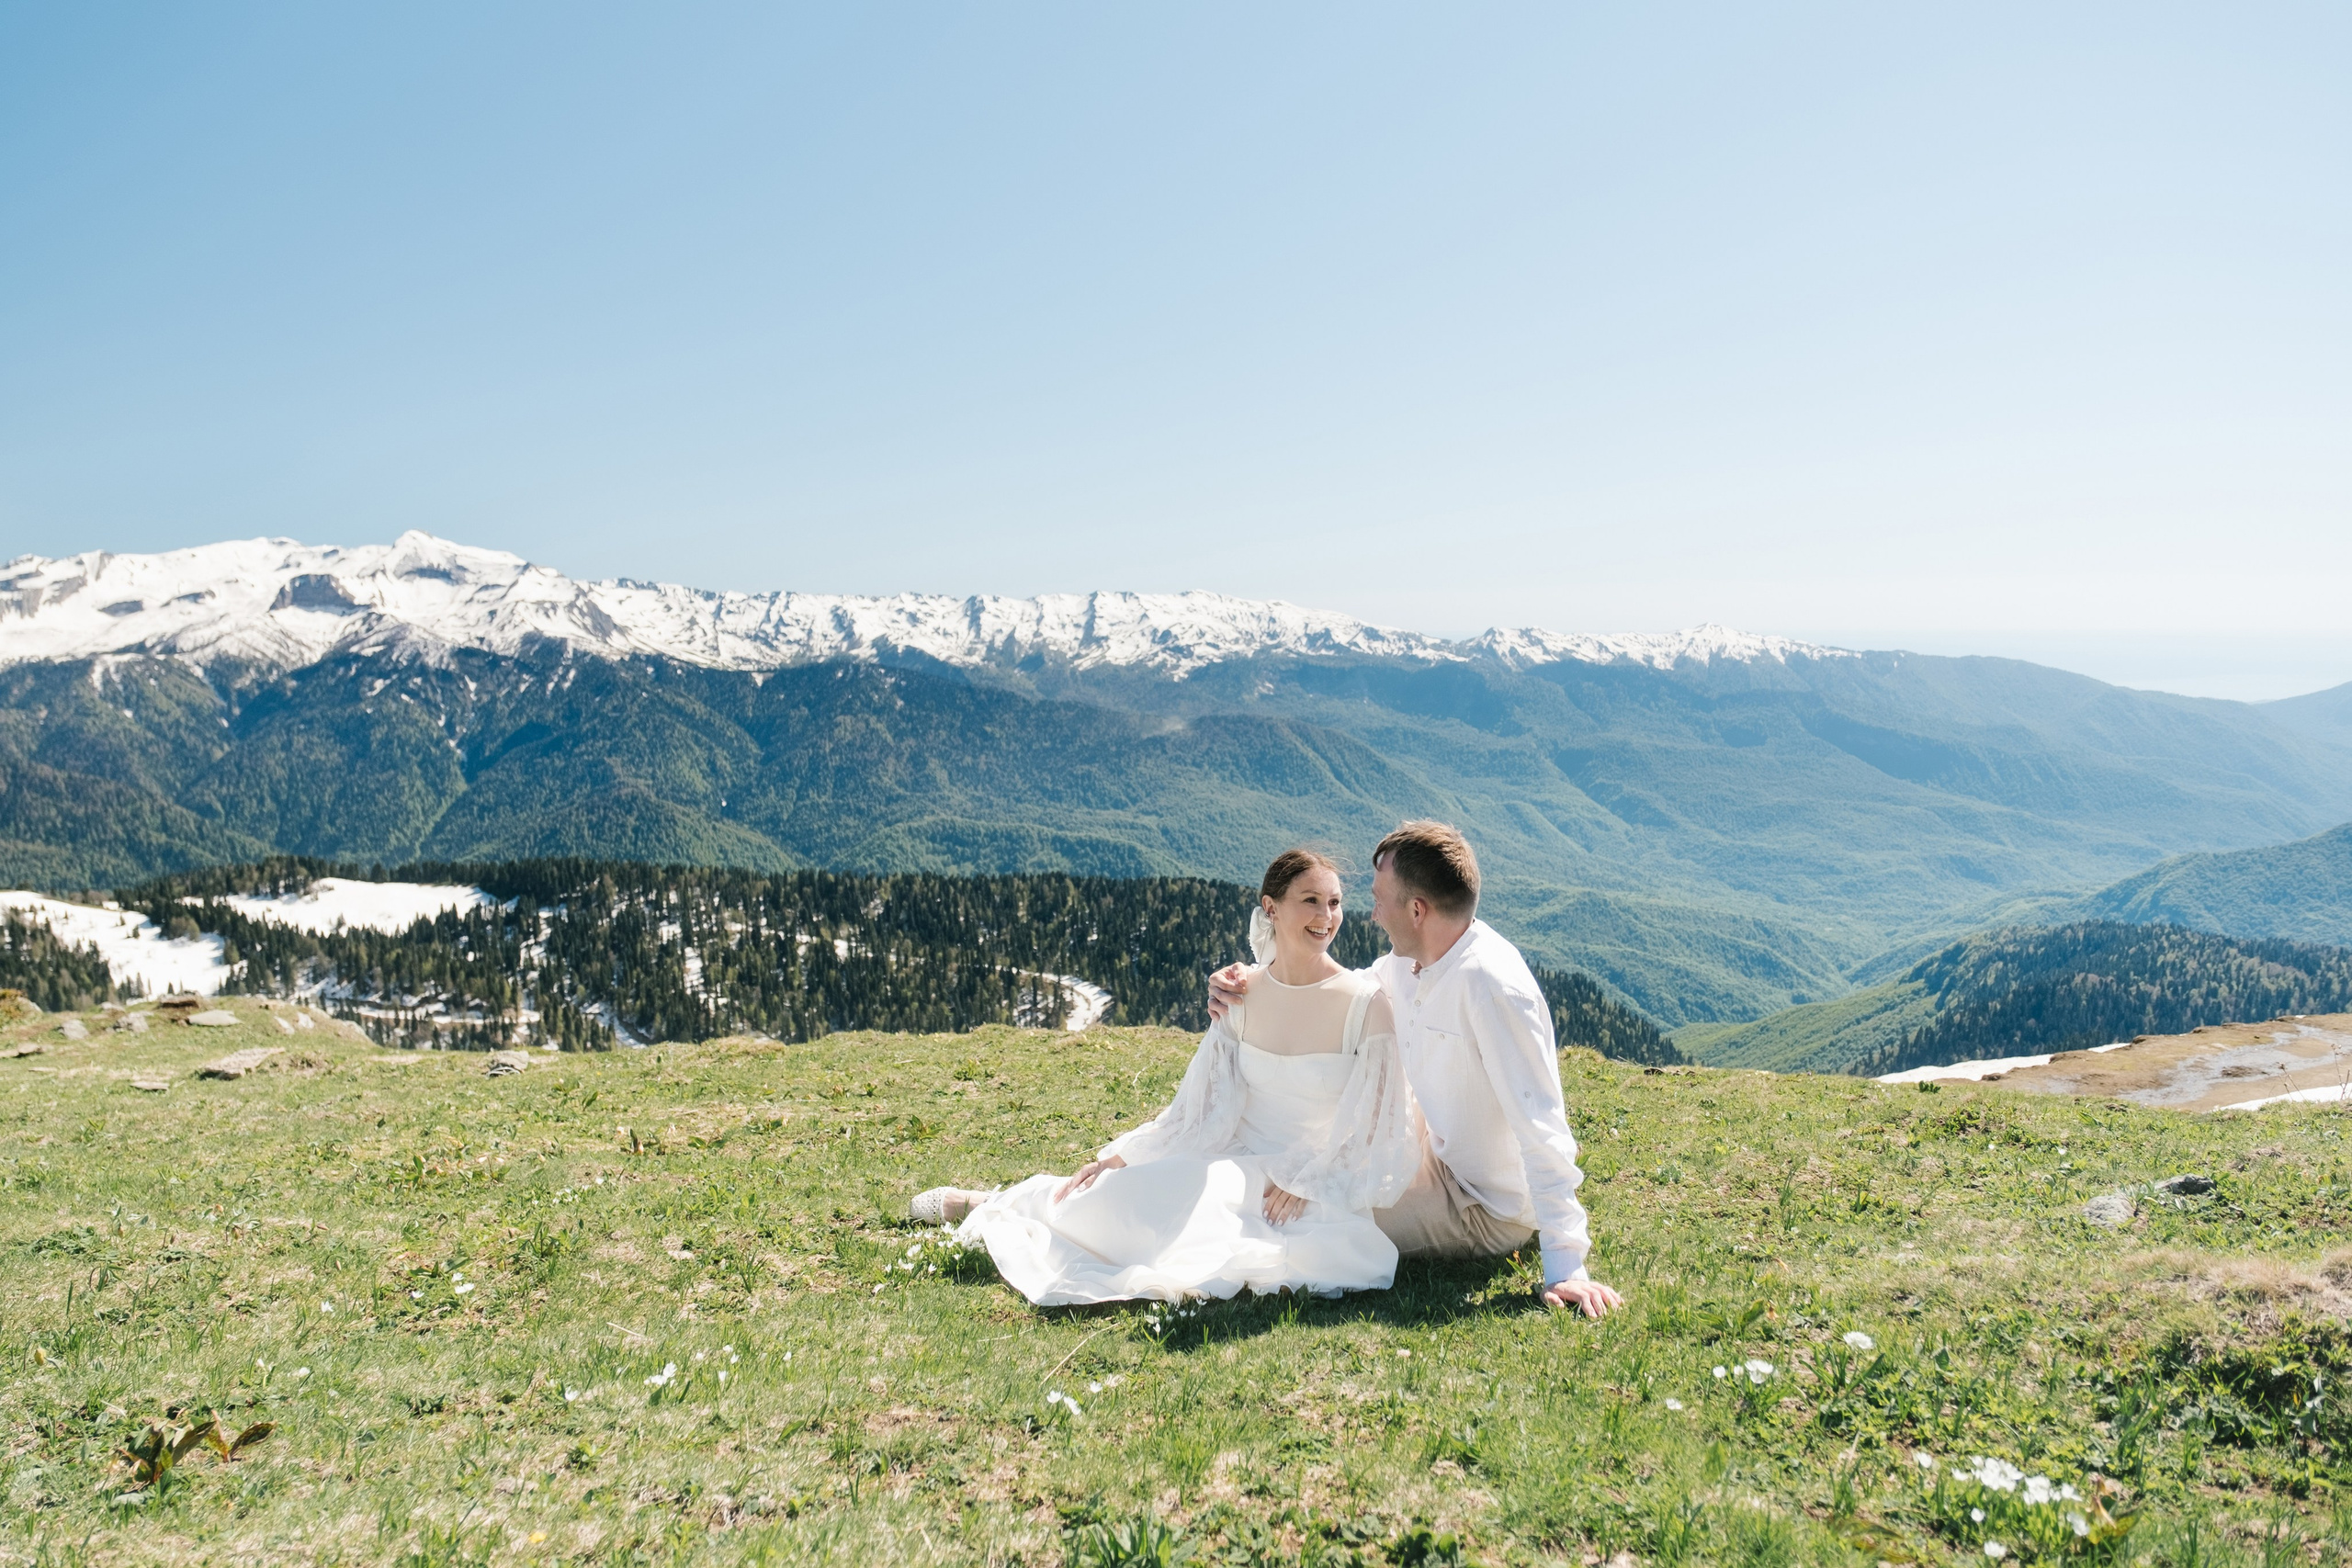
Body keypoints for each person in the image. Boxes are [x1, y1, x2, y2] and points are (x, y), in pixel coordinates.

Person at [908, 849, 1422, 1305]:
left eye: (1334, 903)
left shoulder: (1365, 1004)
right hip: (1233, 1154)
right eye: (1311, 900)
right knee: (1131, 1194)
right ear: (1272, 908)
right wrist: (1125, 1156)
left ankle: (1001, 1203)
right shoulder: (1241, 994)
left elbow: (1380, 1122)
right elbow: (1200, 1104)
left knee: (1197, 1231)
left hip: (1302, 1182)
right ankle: (991, 1203)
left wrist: (1314, 1177)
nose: (1326, 916)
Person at [1211, 821, 1623, 1320]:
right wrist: (1249, 981)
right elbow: (1344, 991)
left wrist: (1566, 1267)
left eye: (1380, 899)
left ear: (1416, 910)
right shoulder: (1409, 964)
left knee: (1320, 1215)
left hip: (1480, 1205)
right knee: (1285, 1172)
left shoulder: (1491, 987)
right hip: (1428, 1152)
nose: (1372, 913)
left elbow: (1541, 1127)